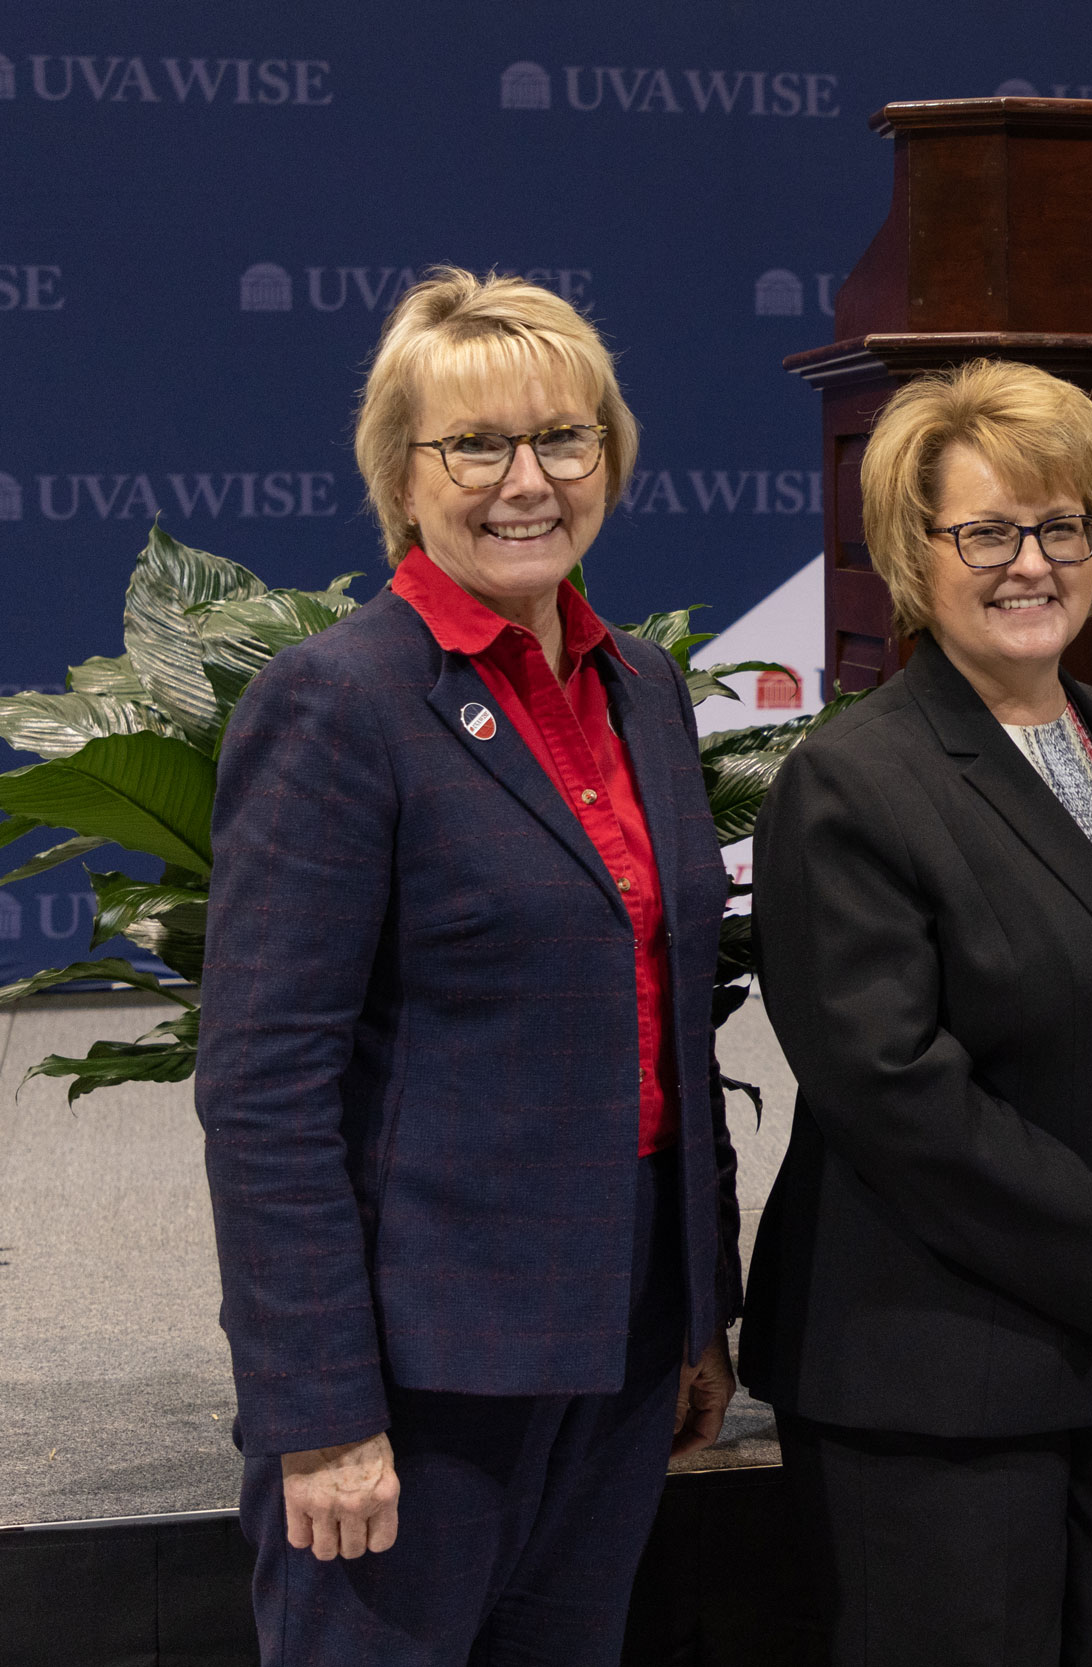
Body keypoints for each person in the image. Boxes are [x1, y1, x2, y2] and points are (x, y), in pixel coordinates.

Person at [195, 267, 741, 1665]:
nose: (526, 481)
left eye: (564, 439)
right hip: (414, 1382)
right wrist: (318, 1411)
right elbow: (264, 1091)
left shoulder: (647, 690)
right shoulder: (337, 702)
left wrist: (697, 1316)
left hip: (619, 1352)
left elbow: (673, 1029)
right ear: (404, 472)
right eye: (476, 445)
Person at [741, 357, 1092, 1667]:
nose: (1030, 562)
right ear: (914, 554)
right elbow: (895, 1091)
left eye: (1060, 526)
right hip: (942, 1387)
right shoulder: (851, 783)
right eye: (986, 531)